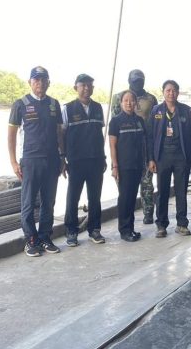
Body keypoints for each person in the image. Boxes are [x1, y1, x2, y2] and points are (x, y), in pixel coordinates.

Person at [8, 66, 65, 257]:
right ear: (30, 82)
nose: (40, 83)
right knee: (28, 203)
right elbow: (11, 135)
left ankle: (45, 237)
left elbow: (59, 132)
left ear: (49, 82)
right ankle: (31, 240)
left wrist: (62, 157)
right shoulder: (20, 104)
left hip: (52, 160)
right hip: (30, 160)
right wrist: (13, 162)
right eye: (36, 80)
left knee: (49, 202)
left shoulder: (54, 104)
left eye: (43, 80)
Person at [148, 80, 191, 238]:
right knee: (162, 192)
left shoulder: (185, 110)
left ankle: (182, 224)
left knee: (181, 191)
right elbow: (150, 137)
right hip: (162, 157)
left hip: (181, 157)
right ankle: (161, 225)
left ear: (178, 92)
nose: (171, 93)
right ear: (163, 92)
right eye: (168, 90)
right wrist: (151, 159)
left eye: (174, 90)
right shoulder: (156, 111)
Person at [62, 73, 106, 247]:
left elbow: (99, 135)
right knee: (73, 197)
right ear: (76, 88)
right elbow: (61, 135)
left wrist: (103, 157)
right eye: (83, 85)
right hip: (76, 161)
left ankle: (94, 230)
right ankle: (71, 231)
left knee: (95, 197)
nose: (86, 88)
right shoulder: (67, 109)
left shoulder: (98, 107)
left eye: (89, 85)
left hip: (96, 159)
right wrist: (62, 159)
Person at [112, 69, 158, 224]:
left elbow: (156, 122)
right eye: (135, 81)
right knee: (126, 191)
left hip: (144, 147)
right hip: (125, 150)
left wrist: (152, 155)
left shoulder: (151, 99)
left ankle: (148, 213)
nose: (138, 83)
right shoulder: (118, 97)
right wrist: (115, 162)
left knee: (147, 185)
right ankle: (126, 221)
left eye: (140, 81)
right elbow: (115, 126)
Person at [109, 90, 148, 242]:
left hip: (137, 165)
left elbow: (144, 143)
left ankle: (131, 228)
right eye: (125, 100)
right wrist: (115, 166)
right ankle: (124, 230)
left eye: (132, 100)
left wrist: (145, 162)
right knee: (125, 198)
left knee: (132, 198)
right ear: (121, 103)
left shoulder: (139, 121)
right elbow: (112, 146)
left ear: (136, 103)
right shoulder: (116, 121)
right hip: (123, 167)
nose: (129, 103)